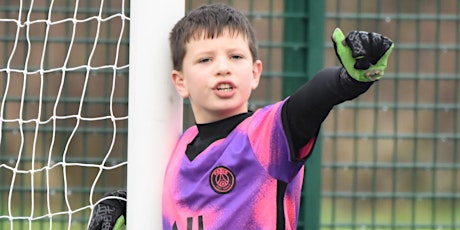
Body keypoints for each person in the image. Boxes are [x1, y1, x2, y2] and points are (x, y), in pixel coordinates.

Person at [88, 2, 393, 230]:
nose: (223, 67)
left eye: (235, 56)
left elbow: (312, 100)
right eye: (206, 59)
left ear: (255, 72)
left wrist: (348, 80)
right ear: (180, 81)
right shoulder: (179, 146)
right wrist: (128, 201)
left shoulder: (266, 135)